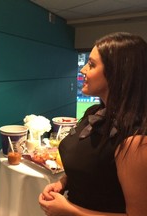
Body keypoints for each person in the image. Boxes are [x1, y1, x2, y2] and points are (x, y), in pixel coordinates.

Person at [39, 32, 147, 216]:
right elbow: (96, 171)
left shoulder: (135, 140)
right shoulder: (94, 112)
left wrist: (69, 210)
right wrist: (64, 182)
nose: (82, 70)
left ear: (117, 73)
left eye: (91, 64)